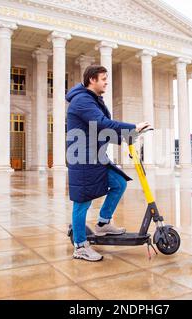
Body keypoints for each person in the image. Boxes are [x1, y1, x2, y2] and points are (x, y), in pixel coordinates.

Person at [66, 65, 150, 262]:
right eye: (103, 78)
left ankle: (103, 223)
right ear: (92, 80)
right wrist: (132, 127)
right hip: (83, 157)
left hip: (96, 155)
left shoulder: (93, 100)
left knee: (119, 183)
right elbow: (102, 123)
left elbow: (101, 130)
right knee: (83, 201)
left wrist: (129, 135)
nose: (106, 82)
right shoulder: (82, 101)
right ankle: (80, 246)